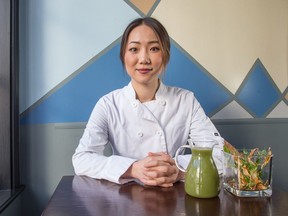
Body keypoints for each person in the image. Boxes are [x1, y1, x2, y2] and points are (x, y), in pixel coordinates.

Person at [72, 17, 223, 188]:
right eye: (134, 49)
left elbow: (220, 155)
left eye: (154, 48)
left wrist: (178, 170)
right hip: (124, 199)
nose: (144, 59)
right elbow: (82, 159)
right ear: (124, 55)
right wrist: (133, 169)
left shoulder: (186, 100)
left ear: (165, 55)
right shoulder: (108, 104)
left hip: (174, 197)